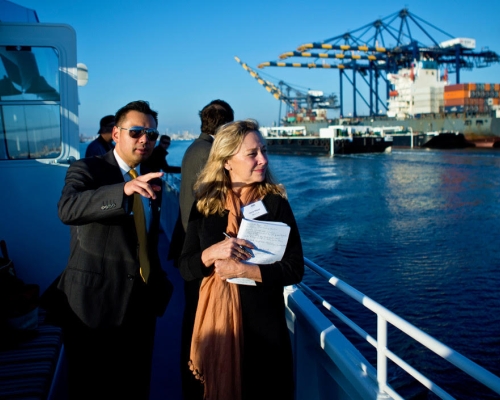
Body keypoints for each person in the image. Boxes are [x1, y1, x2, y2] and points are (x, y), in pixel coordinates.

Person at [52, 100, 173, 400]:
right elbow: (68, 209)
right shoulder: (87, 169)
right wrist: (122, 190)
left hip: (140, 304)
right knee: (93, 387)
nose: (145, 139)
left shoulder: (147, 177)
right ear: (116, 134)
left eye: (152, 134)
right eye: (136, 132)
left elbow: (145, 240)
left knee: (135, 384)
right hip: (95, 307)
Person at [178, 119, 304, 400]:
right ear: (226, 161)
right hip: (216, 330)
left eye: (264, 150)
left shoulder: (275, 203)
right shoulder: (205, 205)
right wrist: (213, 252)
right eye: (252, 153)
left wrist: (245, 270)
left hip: (264, 333)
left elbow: (295, 269)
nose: (263, 159)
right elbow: (186, 267)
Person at [174, 99, 234, 399]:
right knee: (197, 323)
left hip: (189, 244)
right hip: (198, 249)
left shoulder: (191, 149)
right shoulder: (208, 153)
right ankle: (196, 384)